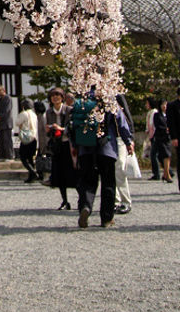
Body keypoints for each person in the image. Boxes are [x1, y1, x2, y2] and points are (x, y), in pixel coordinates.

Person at [71, 95, 134, 229]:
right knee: (108, 182)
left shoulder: (81, 100)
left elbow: (72, 123)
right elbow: (120, 121)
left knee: (87, 181)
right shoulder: (108, 98)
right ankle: (106, 217)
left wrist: (75, 145)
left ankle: (86, 206)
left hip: (85, 147)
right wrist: (128, 141)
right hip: (106, 147)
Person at [45, 87, 75, 210]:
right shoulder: (49, 112)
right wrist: (49, 130)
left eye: (58, 95)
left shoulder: (69, 110)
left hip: (68, 144)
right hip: (57, 145)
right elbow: (48, 131)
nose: (55, 98)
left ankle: (81, 199)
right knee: (59, 173)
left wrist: (61, 129)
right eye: (53, 96)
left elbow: (72, 127)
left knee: (72, 171)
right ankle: (65, 200)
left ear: (62, 97)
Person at [114, 93, 135, 215]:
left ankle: (125, 200)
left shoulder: (117, 96)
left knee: (120, 168)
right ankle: (115, 201)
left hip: (120, 137)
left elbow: (126, 116)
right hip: (106, 139)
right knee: (110, 170)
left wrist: (130, 138)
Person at [15, 97, 38, 183]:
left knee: (23, 156)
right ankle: (31, 177)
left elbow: (17, 123)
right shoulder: (34, 114)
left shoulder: (24, 114)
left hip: (26, 138)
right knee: (30, 158)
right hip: (34, 138)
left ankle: (33, 172)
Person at [152, 98, 173, 183]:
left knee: (167, 156)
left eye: (166, 105)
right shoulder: (157, 115)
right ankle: (167, 174)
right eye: (163, 104)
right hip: (160, 137)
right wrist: (165, 129)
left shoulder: (169, 115)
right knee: (165, 155)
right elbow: (157, 125)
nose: (164, 106)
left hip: (167, 138)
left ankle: (166, 173)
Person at [0, 85, 14, 160]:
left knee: (7, 140)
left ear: (4, 90)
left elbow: (7, 110)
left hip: (7, 122)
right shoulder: (0, 100)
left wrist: (1, 116)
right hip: (1, 123)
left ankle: (10, 156)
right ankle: (2, 155)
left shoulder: (8, 98)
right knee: (1, 141)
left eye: (0, 90)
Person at [145, 96, 161, 181]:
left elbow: (153, 124)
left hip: (154, 135)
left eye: (147, 103)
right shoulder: (150, 112)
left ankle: (157, 173)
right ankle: (166, 171)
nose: (146, 105)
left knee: (154, 155)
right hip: (152, 135)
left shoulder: (154, 112)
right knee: (157, 154)